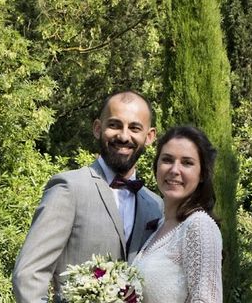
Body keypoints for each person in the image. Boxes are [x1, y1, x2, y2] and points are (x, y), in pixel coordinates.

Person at [12, 90, 163, 303]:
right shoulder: (68, 188)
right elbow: (28, 274)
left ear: (149, 137)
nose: (124, 136)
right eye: (114, 125)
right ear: (97, 129)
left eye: (135, 128)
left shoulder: (156, 206)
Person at [132, 125, 223, 303]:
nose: (174, 170)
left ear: (202, 173)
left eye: (187, 163)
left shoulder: (199, 225)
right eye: (167, 160)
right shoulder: (160, 225)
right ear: (156, 166)